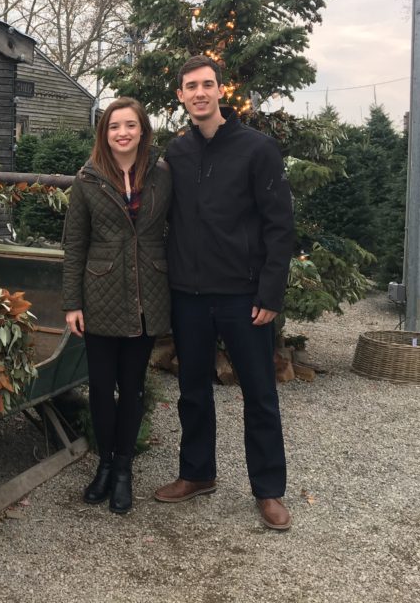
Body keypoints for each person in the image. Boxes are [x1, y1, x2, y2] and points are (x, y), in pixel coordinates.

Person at [154, 55, 296, 531]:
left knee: (259, 394)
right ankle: (197, 474)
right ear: (180, 96)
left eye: (207, 85)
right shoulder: (176, 153)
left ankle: (269, 490)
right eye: (190, 86)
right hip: (188, 294)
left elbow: (280, 226)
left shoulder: (257, 149)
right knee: (193, 391)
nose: (199, 93)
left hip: (243, 296)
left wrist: (270, 293)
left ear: (221, 91)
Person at [62, 97, 172, 514]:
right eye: (113, 127)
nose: (121, 133)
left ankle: (124, 469)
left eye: (129, 125)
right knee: (102, 391)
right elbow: (74, 243)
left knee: (133, 388)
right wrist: (72, 302)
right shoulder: (88, 179)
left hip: (148, 294)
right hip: (101, 295)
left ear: (142, 130)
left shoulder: (162, 176)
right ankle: (104, 465)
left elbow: (178, 228)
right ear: (103, 133)